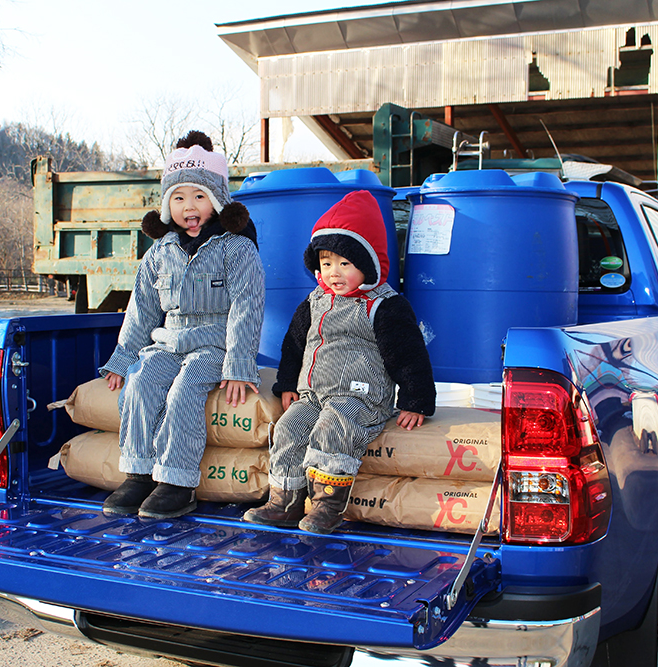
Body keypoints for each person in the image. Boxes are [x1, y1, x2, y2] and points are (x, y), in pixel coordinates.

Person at [243, 190, 435, 534]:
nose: (334, 272)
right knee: (289, 429)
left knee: (334, 428)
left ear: (369, 264)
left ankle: (326, 505)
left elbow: (409, 354)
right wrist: (287, 384)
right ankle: (284, 501)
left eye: (345, 264)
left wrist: (415, 400)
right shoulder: (315, 301)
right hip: (314, 395)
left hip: (358, 399)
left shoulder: (384, 306)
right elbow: (294, 345)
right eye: (327, 263)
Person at [98, 131, 264, 519]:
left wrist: (239, 365)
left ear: (217, 200)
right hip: (168, 340)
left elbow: (247, 307)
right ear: (166, 204)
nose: (189, 206)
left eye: (199, 196)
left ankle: (177, 482)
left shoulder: (236, 248)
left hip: (214, 343)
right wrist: (123, 359)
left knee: (183, 391)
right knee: (141, 382)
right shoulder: (160, 252)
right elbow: (141, 309)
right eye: (178, 197)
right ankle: (139, 473)